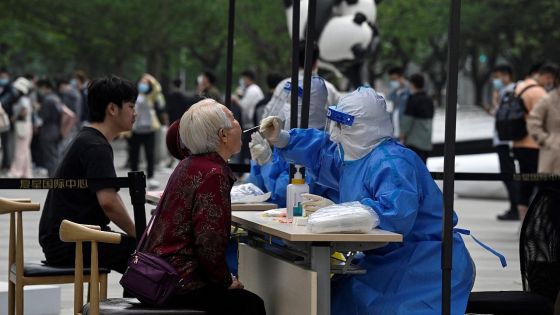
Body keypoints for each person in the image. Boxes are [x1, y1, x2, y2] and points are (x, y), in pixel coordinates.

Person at [252, 87, 474, 314]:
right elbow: (321, 153)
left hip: (425, 266)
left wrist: (336, 212)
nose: (334, 134)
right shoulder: (356, 156)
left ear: (363, 128)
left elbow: (395, 214)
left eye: (342, 127)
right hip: (386, 260)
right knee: (334, 300)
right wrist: (283, 138)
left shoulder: (394, 161)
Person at [143, 99, 266, 315]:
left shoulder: (188, 164)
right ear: (223, 135)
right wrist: (226, 281)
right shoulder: (214, 174)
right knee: (251, 305)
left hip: (161, 273)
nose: (239, 123)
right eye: (233, 119)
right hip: (180, 283)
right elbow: (209, 243)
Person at [39, 75, 137, 274]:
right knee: (141, 254)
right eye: (131, 106)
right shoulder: (96, 146)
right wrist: (140, 234)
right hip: (70, 242)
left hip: (66, 238)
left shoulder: (88, 139)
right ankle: (143, 304)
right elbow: (109, 202)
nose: (135, 113)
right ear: (112, 109)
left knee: (137, 251)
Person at [513, 64, 548, 221]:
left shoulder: (518, 87)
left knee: (524, 183)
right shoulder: (538, 92)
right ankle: (537, 221)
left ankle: (523, 221)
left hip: (518, 143)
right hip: (533, 144)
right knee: (541, 183)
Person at [491, 64, 520, 221]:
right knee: (506, 174)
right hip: (501, 138)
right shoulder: (503, 92)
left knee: (509, 174)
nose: (497, 80)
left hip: (506, 140)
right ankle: (514, 206)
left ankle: (515, 207)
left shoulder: (511, 91)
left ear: (507, 75)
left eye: (498, 76)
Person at [130, 73, 164, 189]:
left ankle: (150, 177)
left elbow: (158, 88)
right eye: (142, 82)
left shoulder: (151, 96)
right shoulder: (133, 95)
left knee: (150, 154)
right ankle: (133, 178)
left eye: (146, 83)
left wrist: (151, 79)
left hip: (149, 129)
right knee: (134, 154)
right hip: (135, 130)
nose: (144, 84)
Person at [528, 72, 560, 177]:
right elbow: (533, 121)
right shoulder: (548, 99)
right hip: (553, 154)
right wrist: (545, 140)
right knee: (551, 189)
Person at [400, 73, 434, 163]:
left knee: (413, 168)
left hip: (414, 142)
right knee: (423, 168)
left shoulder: (413, 99)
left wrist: (402, 135)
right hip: (426, 142)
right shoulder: (429, 99)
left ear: (412, 84)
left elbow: (407, 121)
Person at [232, 70, 264, 164]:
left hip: (252, 125)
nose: (242, 81)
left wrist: (236, 99)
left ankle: (246, 170)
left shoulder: (253, 90)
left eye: (243, 79)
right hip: (250, 124)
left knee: (249, 150)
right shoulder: (252, 89)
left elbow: (244, 106)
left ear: (247, 78)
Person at [8, 77, 34, 178]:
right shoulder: (26, 99)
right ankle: (26, 172)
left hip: (22, 125)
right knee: (25, 150)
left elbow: (25, 111)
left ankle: (16, 172)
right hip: (27, 125)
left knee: (20, 150)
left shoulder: (23, 99)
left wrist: (15, 117)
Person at [36, 79, 62, 177]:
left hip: (47, 130)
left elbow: (44, 116)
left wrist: (38, 109)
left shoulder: (47, 99)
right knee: (55, 154)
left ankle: (52, 176)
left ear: (45, 87)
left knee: (49, 156)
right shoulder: (56, 98)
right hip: (56, 128)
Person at [387, 66, 411, 137]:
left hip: (406, 131)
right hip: (395, 130)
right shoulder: (393, 92)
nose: (392, 82)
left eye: (394, 79)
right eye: (391, 80)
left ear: (401, 77)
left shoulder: (410, 91)